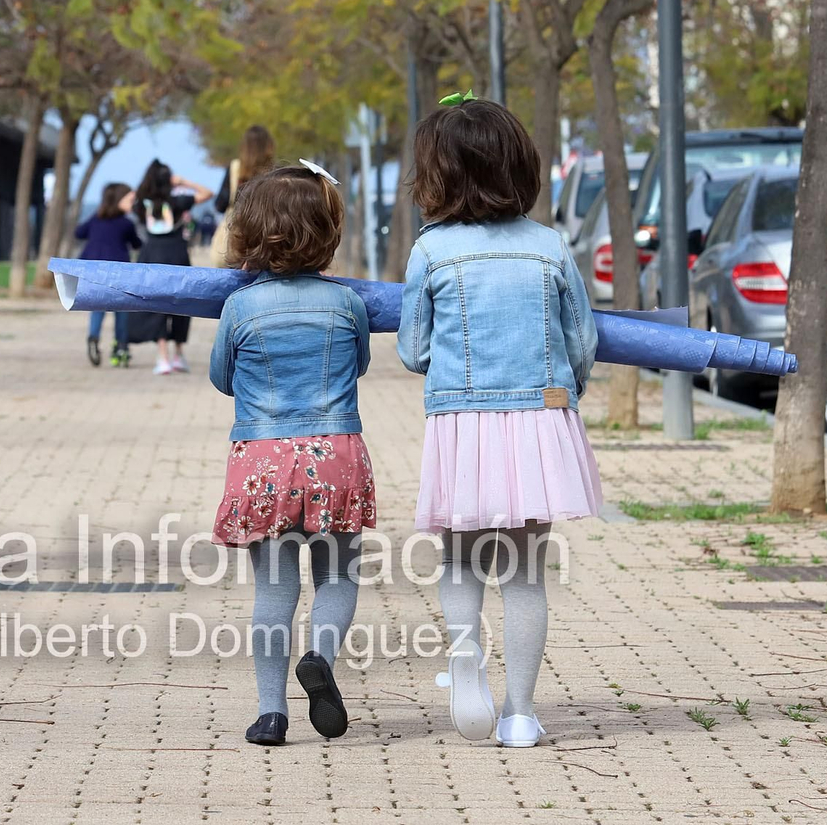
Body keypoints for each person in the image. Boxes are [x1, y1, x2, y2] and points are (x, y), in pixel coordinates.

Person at [397, 94, 602, 748]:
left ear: (437, 175)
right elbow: (582, 341)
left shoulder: (432, 251)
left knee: (460, 558)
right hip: (538, 420)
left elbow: (413, 350)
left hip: (462, 422)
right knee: (524, 572)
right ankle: (519, 713)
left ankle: (466, 665)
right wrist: (565, 392)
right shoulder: (550, 245)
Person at [208, 166, 376, 747]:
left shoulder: (240, 308)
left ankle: (271, 713)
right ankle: (319, 657)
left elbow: (222, 379)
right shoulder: (348, 303)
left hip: (264, 462)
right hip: (336, 456)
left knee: (274, 592)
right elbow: (359, 365)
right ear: (328, 231)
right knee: (338, 576)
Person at [118, 160, 213, 374]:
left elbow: (123, 204)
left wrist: (143, 187)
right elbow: (208, 193)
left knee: (156, 303)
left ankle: (163, 357)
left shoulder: (143, 204)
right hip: (177, 254)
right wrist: (183, 182)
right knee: (181, 302)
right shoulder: (179, 201)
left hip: (151, 255)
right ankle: (179, 354)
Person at [73, 183, 141, 367]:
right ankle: (121, 346)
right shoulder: (126, 224)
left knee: (98, 308)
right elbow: (136, 243)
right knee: (122, 310)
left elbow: (79, 232)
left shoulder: (96, 219)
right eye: (130, 200)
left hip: (95, 272)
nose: (133, 204)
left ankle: (93, 338)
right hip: (119, 272)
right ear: (119, 200)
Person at [211, 124, 275, 267]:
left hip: (236, 238)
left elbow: (220, 205)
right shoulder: (274, 172)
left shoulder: (235, 168)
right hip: (265, 237)